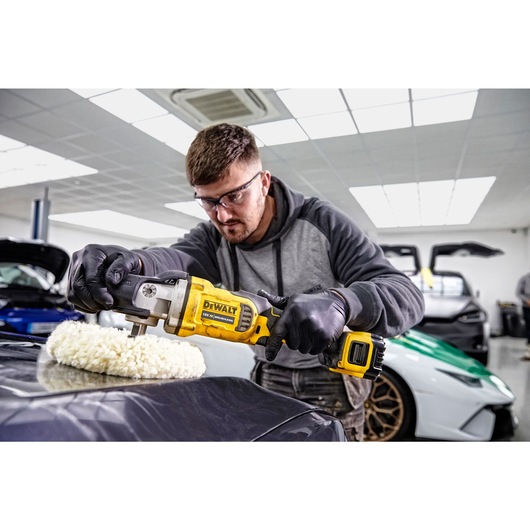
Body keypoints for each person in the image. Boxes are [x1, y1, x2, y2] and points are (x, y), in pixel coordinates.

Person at [67, 122, 425, 441]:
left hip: (332, 380)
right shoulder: (213, 237)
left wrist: (342, 303)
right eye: (208, 202)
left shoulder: (323, 223)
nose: (222, 215)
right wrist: (129, 264)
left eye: (234, 196)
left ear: (264, 182)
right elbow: (177, 260)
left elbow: (407, 295)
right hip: (266, 371)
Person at [516, 269, 530, 360]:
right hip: (527, 308)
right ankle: (528, 351)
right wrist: (527, 301)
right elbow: (518, 293)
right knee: (529, 327)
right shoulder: (524, 278)